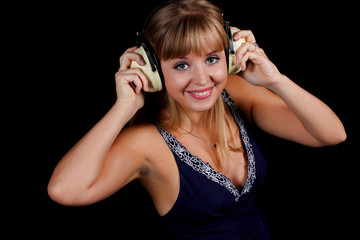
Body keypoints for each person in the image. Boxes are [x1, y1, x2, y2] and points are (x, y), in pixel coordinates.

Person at [47, 0, 346, 239]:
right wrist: (124, 106)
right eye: (181, 65)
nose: (202, 79)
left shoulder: (237, 92)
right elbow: (64, 190)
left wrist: (276, 80)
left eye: (212, 59)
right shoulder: (146, 143)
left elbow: (331, 134)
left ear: (229, 57)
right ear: (152, 70)